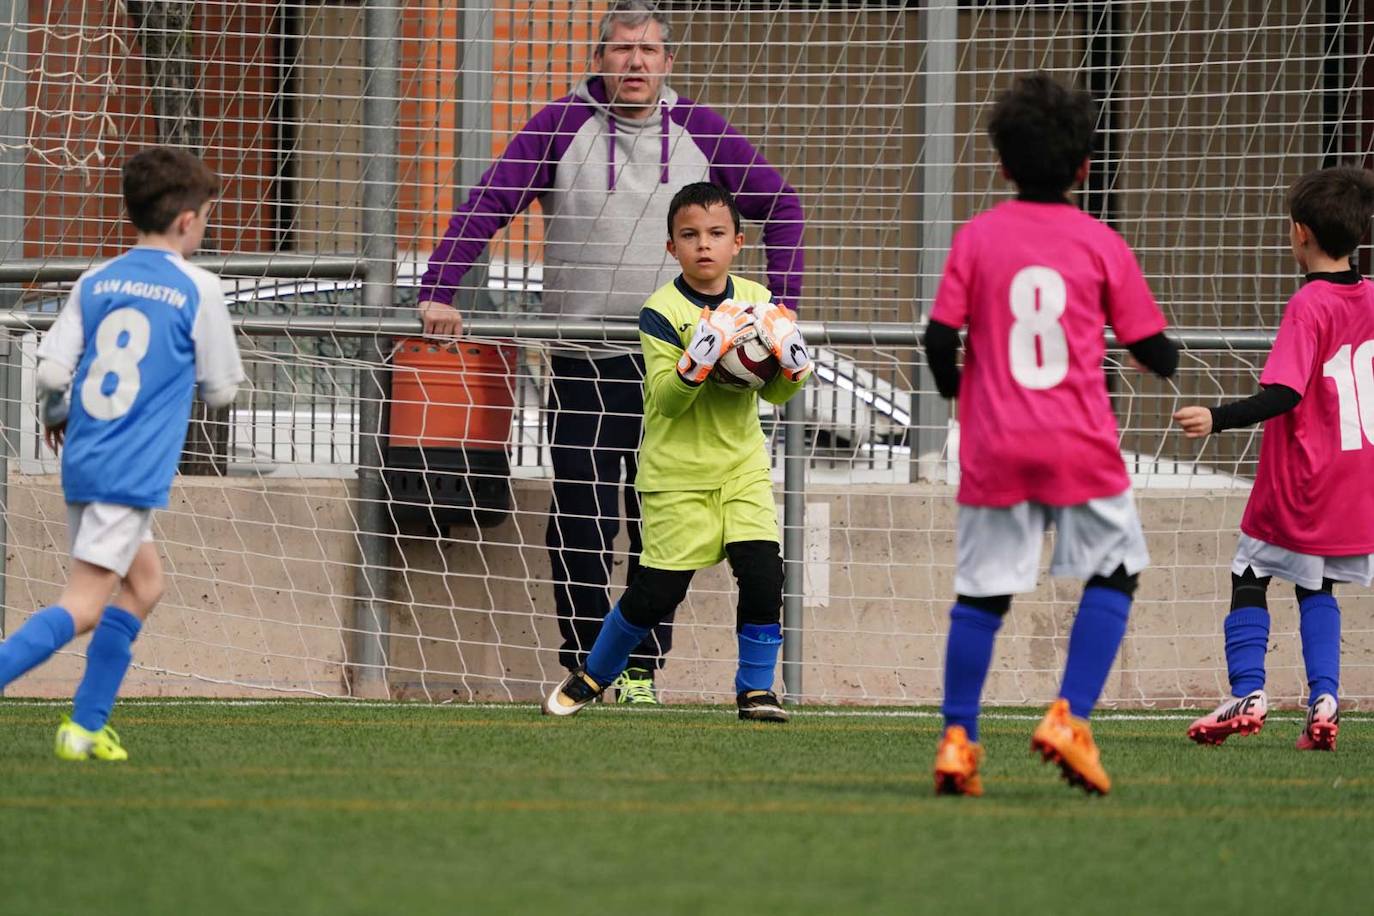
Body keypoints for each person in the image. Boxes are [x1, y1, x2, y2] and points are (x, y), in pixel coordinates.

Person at [416, 1, 804, 704]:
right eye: (622, 50)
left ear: (667, 62)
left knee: (660, 527)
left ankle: (639, 672)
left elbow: (781, 203)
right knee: (581, 517)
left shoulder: (702, 131)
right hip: (583, 359)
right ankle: (585, 662)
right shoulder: (560, 126)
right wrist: (441, 285)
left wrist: (781, 312)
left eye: (649, 51)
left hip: (682, 366)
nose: (635, 63)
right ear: (600, 58)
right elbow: (489, 201)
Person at [921, 73, 1179, 796]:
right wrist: (1161, 357)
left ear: (1001, 164)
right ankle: (1069, 718)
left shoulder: (978, 236)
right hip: (1078, 445)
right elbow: (1153, 348)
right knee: (1118, 568)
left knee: (981, 594)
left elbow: (939, 339)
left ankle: (957, 740)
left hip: (995, 445)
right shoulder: (1099, 242)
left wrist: (960, 396)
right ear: (1085, 166)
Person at [0, 146, 244, 760]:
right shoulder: (199, 287)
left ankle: (85, 726)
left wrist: (59, 413)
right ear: (188, 221)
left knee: (146, 583)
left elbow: (52, 370)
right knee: (82, 604)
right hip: (131, 470)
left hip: (86, 458)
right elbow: (220, 390)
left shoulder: (97, 278)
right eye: (207, 216)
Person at [541, 182, 811, 721]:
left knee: (763, 575)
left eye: (716, 234)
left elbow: (774, 391)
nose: (703, 245)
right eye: (689, 235)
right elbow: (665, 400)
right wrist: (700, 357)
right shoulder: (660, 311)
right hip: (676, 477)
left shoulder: (758, 304)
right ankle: (594, 673)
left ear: (738, 242)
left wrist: (794, 367)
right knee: (656, 593)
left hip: (741, 470)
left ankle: (756, 690)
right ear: (672, 248)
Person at [1175, 167, 1374, 752]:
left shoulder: (1309, 304)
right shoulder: (1370, 296)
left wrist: (1217, 416)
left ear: (1301, 234)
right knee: (1319, 588)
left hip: (1303, 481)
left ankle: (1249, 691)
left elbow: (1285, 394)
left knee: (1249, 573)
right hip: (1355, 481)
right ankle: (1326, 699)